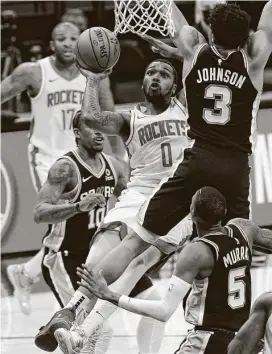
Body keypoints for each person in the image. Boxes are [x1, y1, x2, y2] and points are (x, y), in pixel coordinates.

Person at [35, 59, 192, 354]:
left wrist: (177, 48)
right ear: (142, 83)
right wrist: (93, 80)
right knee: (103, 253)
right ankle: (69, 316)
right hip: (138, 194)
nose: (156, 77)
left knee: (137, 262)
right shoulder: (128, 120)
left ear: (176, 86)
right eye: (150, 72)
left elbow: (195, 52)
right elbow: (92, 118)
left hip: (177, 198)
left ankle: (76, 321)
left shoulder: (186, 107)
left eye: (164, 73)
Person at [1, 21, 123, 315]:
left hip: (84, 157)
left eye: (73, 38)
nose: (68, 43)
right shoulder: (33, 72)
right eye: (61, 38)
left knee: (75, 226)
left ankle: (26, 273)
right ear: (51, 44)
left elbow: (109, 114)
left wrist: (120, 155)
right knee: (63, 219)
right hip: (47, 157)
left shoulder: (95, 75)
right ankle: (42, 278)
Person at [76, 187, 272, 353]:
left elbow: (163, 311)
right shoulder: (244, 229)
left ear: (192, 213)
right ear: (224, 211)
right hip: (245, 339)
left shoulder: (196, 251)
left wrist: (110, 295)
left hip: (205, 342)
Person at [135, 1, 272, 237]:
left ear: (210, 31)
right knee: (237, 243)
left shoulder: (194, 50)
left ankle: (112, 270)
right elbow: (268, 24)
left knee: (142, 237)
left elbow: (169, 11)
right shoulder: (253, 60)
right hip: (235, 164)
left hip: (199, 156)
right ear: (245, 36)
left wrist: (179, 53)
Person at [33, 111, 127, 352]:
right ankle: (57, 325)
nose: (99, 133)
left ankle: (56, 326)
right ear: (76, 133)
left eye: (101, 128)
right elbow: (39, 212)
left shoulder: (113, 165)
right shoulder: (65, 168)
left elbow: (136, 197)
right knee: (98, 331)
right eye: (91, 128)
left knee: (95, 330)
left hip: (94, 259)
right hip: (63, 258)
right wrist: (77, 207)